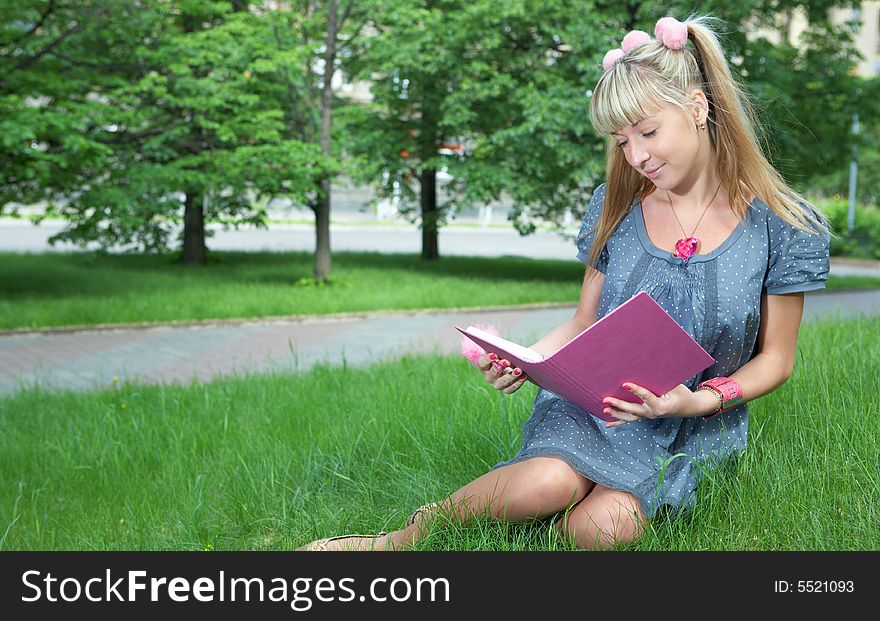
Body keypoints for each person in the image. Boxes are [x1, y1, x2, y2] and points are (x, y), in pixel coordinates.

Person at [298, 14, 831, 551]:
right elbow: (583, 321)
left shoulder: (784, 225)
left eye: (647, 132)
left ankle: (533, 533)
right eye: (622, 141)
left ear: (697, 108)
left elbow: (777, 360)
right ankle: (406, 536)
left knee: (602, 529)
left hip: (692, 424)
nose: (637, 156)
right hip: (595, 409)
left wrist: (697, 402)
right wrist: (527, 359)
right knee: (547, 480)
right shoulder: (617, 208)